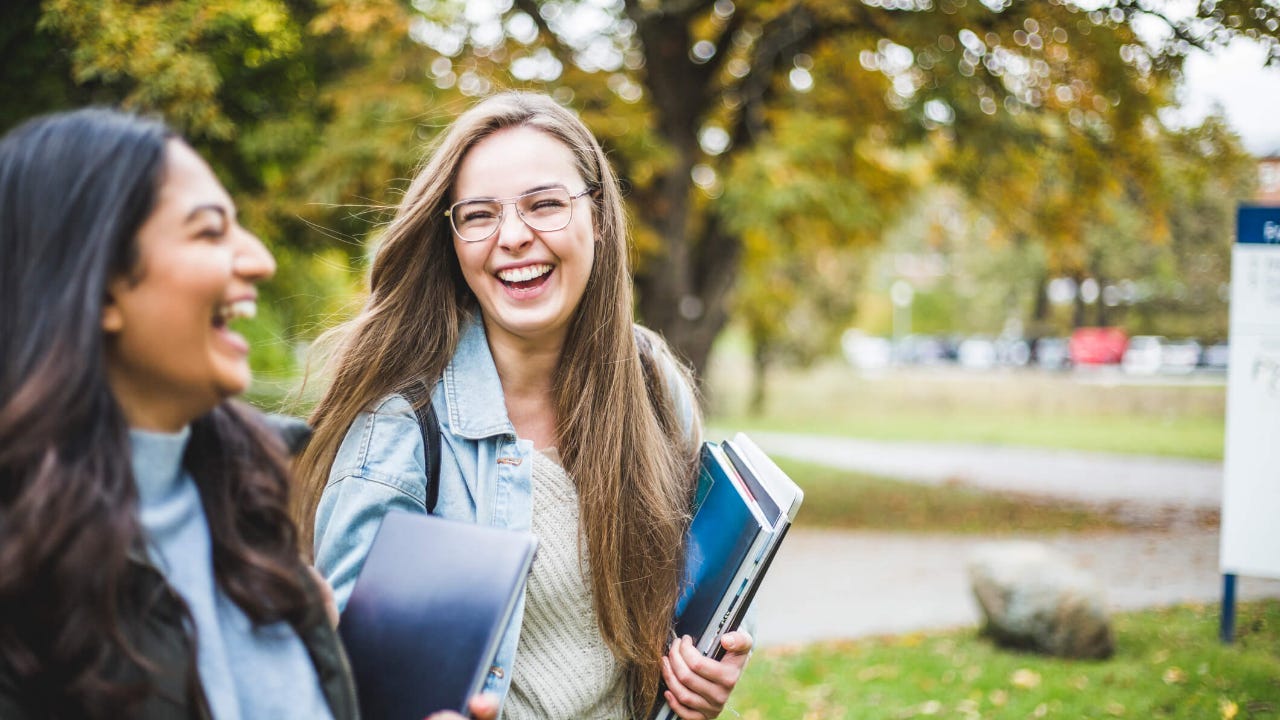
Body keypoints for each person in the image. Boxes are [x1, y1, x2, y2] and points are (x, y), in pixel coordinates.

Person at [0, 108, 492, 720]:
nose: (258, 259)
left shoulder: (251, 523)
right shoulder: (21, 577)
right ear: (96, 284)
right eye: (209, 232)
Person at [294, 91, 752, 720]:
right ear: (452, 240)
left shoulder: (653, 386)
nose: (513, 237)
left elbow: (671, 617)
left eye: (545, 205)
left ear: (598, 218)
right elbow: (337, 694)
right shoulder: (399, 430)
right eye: (479, 215)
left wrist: (696, 676)